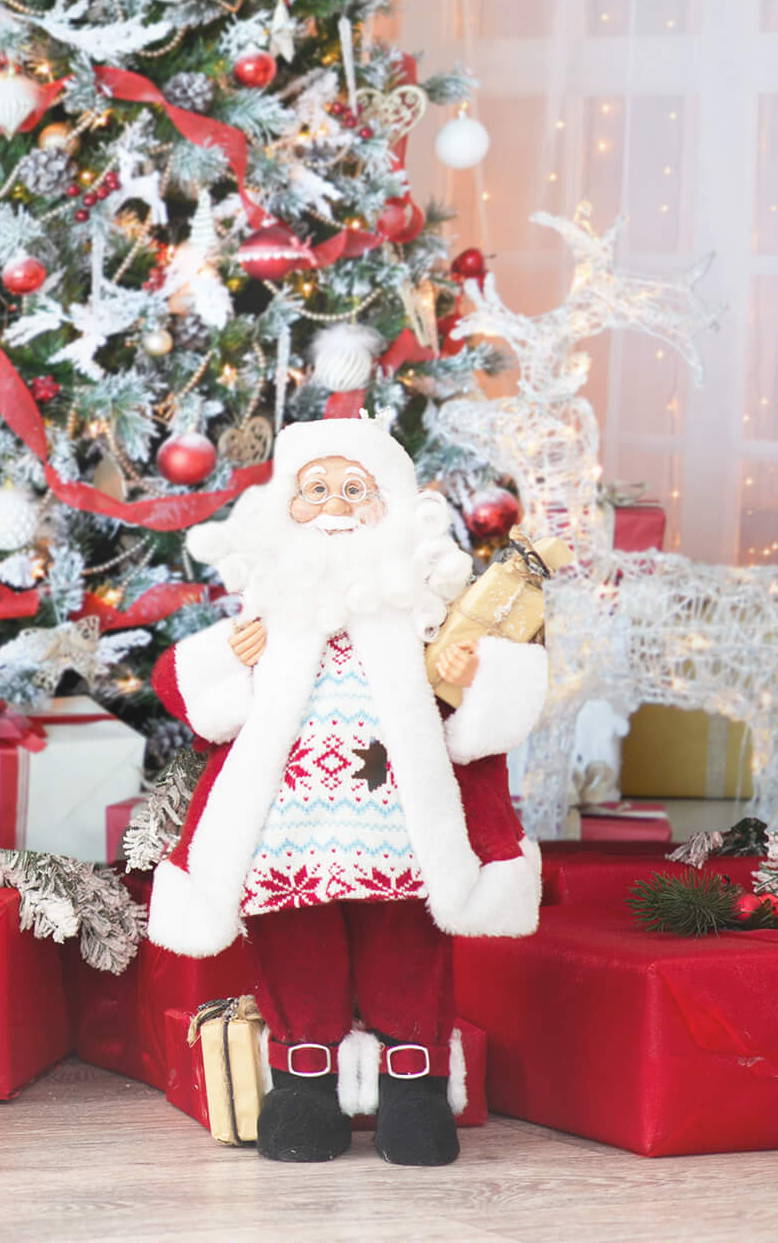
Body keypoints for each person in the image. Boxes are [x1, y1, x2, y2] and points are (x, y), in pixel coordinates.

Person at [149, 415, 546, 1168]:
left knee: (408, 944)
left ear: (392, 509)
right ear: (281, 511)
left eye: (355, 489)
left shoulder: (424, 615)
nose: (334, 505)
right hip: (289, 827)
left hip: (402, 823)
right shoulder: (268, 614)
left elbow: (481, 719)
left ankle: (414, 1085)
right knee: (297, 946)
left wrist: (473, 679)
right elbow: (198, 706)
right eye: (316, 489)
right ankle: (304, 1082)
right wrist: (224, 661)